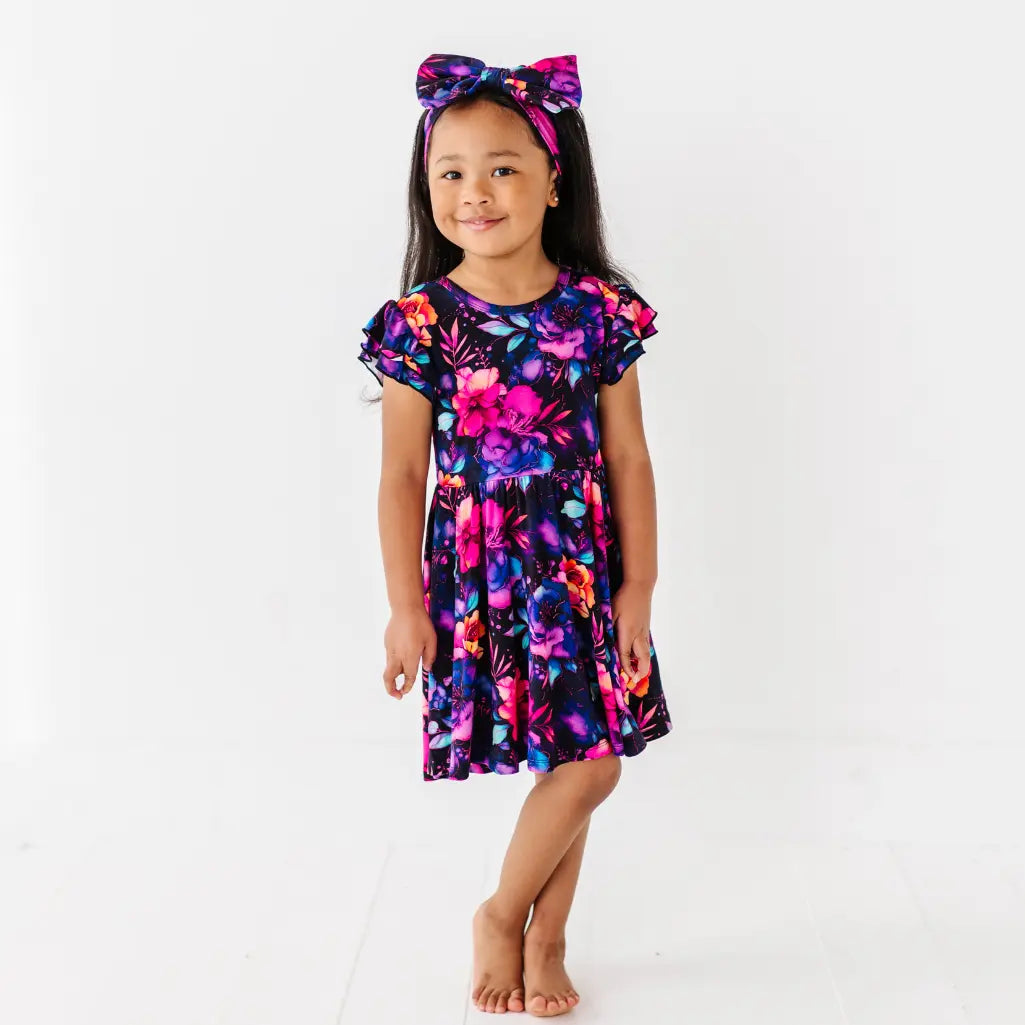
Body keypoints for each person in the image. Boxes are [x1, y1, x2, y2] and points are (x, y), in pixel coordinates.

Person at [357, 52, 673, 1018]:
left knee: (589, 761)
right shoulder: (420, 324)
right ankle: (526, 928)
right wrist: (404, 608)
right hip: (480, 576)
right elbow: (402, 475)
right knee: (572, 764)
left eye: (501, 168)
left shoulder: (597, 313)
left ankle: (526, 924)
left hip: (580, 573)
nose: (475, 193)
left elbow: (629, 458)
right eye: (450, 172)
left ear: (552, 179)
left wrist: (638, 587)